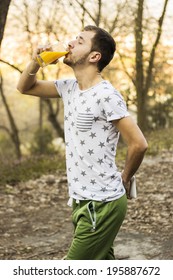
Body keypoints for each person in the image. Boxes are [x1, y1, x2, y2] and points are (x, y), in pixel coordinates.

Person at [17, 25, 148, 260]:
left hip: (102, 203)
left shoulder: (106, 95)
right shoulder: (69, 88)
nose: (70, 43)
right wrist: (37, 61)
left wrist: (125, 178)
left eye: (79, 41)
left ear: (94, 56)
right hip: (81, 200)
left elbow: (139, 143)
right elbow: (24, 87)